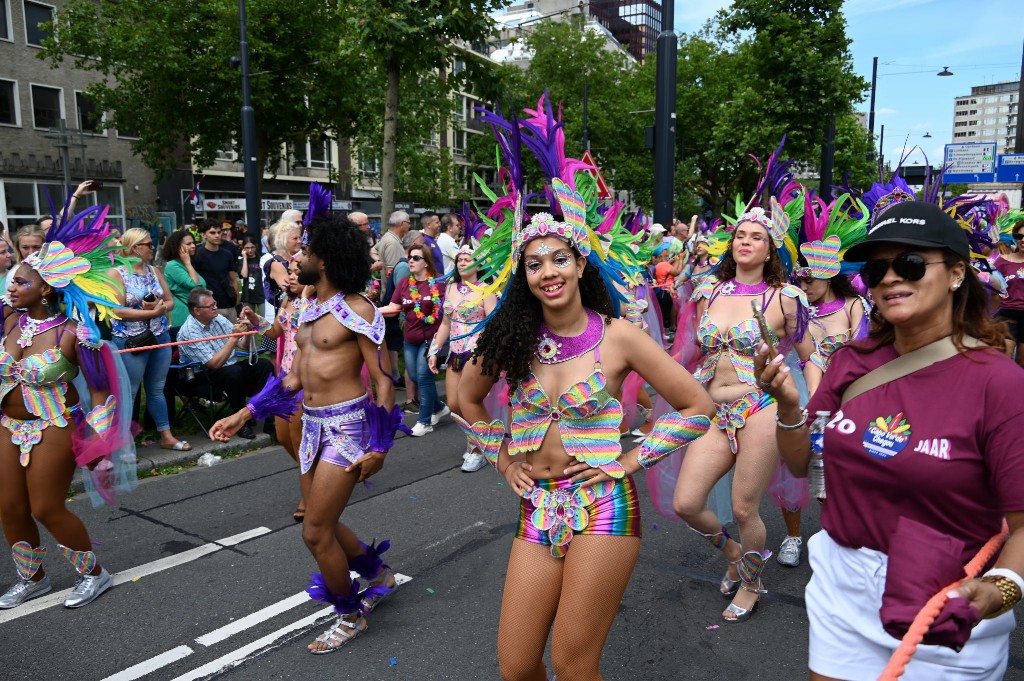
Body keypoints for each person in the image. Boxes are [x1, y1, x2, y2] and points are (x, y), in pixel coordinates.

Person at [457, 97, 715, 681]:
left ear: (580, 264)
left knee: (574, 665)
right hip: (536, 506)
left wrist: (629, 461)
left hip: (603, 507)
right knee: (517, 665)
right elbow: (464, 400)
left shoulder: (620, 337)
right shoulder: (511, 338)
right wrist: (502, 454)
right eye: (534, 263)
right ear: (523, 276)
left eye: (558, 258)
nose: (547, 271)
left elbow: (697, 406)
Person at [755, 199, 1024, 680]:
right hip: (842, 585)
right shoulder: (852, 362)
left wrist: (998, 589)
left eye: (912, 263)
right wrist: (789, 406)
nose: (891, 278)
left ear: (957, 273)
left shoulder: (999, 383)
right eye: (878, 268)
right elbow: (800, 466)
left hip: (944, 599)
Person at [210, 211, 405, 654]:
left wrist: (381, 444)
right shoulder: (308, 308)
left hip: (348, 429)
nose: (298, 258)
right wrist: (244, 414)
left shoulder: (359, 310)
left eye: (308, 252)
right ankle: (377, 573)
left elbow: (381, 381)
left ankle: (350, 614)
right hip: (312, 428)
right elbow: (293, 379)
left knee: (315, 531)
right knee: (326, 522)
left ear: (330, 259)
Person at [673, 201, 814, 623]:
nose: (746, 241)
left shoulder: (786, 299)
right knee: (686, 502)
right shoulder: (708, 292)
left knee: (743, 508)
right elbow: (688, 352)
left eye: (757, 237)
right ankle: (734, 553)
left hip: (760, 406)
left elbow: (812, 357)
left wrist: (819, 404)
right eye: (740, 235)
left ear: (771, 250)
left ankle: (752, 583)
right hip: (713, 410)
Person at [0, 202, 135, 610]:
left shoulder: (75, 333)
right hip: (7, 424)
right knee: (9, 505)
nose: (11, 287)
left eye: (20, 283)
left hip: (54, 423)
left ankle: (94, 574)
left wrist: (99, 442)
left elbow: (99, 390)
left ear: (45, 289)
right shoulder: (6, 320)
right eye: (10, 280)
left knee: (45, 506)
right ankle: (32, 578)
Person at [770, 192, 870, 568]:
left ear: (830, 275)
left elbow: (863, 356)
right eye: (800, 276)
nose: (805, 283)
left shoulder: (854, 306)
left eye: (811, 277)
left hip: (844, 401)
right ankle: (794, 537)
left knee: (831, 477)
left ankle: (832, 536)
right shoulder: (793, 308)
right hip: (801, 397)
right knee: (790, 472)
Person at [107, 228, 190, 452]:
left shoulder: (154, 271)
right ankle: (123, 444)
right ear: (134, 248)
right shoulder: (117, 274)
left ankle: (166, 435)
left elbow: (171, 301)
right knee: (130, 391)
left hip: (159, 335)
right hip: (131, 339)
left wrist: (160, 308)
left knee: (157, 389)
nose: (153, 248)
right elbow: (117, 311)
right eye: (149, 244)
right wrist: (150, 313)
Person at [428, 246, 497, 470]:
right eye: (460, 259)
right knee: (455, 404)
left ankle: (476, 449)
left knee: (470, 403)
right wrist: (435, 349)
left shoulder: (487, 289)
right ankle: (481, 440)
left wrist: (486, 352)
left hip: (476, 353)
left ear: (478, 264)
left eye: (468, 259)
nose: (463, 263)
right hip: (454, 353)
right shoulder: (451, 288)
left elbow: (493, 325)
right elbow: (446, 323)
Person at [176, 288, 274, 440]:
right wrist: (234, 338)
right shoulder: (189, 331)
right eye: (210, 306)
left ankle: (270, 418)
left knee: (264, 365)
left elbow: (243, 346)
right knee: (233, 372)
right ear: (197, 310)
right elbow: (214, 364)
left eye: (215, 303)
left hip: (229, 367)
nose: (215, 307)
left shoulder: (218, 319)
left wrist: (246, 331)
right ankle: (241, 424)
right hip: (201, 374)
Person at [253, 258, 309, 522]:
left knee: (298, 440)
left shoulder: (315, 304)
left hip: (305, 378)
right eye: (290, 272)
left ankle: (308, 494)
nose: (291, 277)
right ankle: (316, 475)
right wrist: (254, 320)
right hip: (284, 376)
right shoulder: (286, 301)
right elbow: (274, 333)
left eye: (298, 273)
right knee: (283, 436)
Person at [380, 245, 448, 436]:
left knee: (424, 376)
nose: (410, 260)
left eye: (416, 258)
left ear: (426, 262)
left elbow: (448, 310)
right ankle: (439, 407)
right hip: (410, 340)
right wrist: (371, 311)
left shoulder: (438, 283)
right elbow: (393, 306)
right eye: (409, 257)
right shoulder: (404, 283)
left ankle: (424, 422)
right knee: (416, 377)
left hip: (431, 340)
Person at [991, 218, 1024, 367]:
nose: (1022, 240)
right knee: (1003, 358)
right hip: (1006, 314)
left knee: (1021, 362)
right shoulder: (1002, 261)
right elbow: (993, 289)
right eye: (1019, 236)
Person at [192, 220, 240, 321]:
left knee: (234, 334)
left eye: (219, 232)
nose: (217, 235)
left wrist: (237, 301)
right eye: (213, 233)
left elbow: (233, 279)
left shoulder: (227, 254)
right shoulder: (197, 255)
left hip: (229, 303)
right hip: (208, 306)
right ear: (203, 235)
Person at [162, 229, 206, 330]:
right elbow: (196, 287)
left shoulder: (185, 265)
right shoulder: (173, 265)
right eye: (188, 244)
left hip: (192, 316)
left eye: (193, 243)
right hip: (181, 318)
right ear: (178, 247)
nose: (193, 246)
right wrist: (187, 262)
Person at [263, 220, 300, 315]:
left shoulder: (297, 259)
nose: (299, 241)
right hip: (285, 316)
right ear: (283, 240)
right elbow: (291, 289)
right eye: (295, 238)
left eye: (300, 237)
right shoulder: (276, 263)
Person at [237, 236, 264, 315]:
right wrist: (245, 258)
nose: (250, 250)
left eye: (252, 247)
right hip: (248, 295)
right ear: (243, 248)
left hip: (261, 294)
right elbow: (244, 275)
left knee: (265, 321)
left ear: (256, 247)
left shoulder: (261, 259)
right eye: (247, 248)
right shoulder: (241, 261)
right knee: (248, 321)